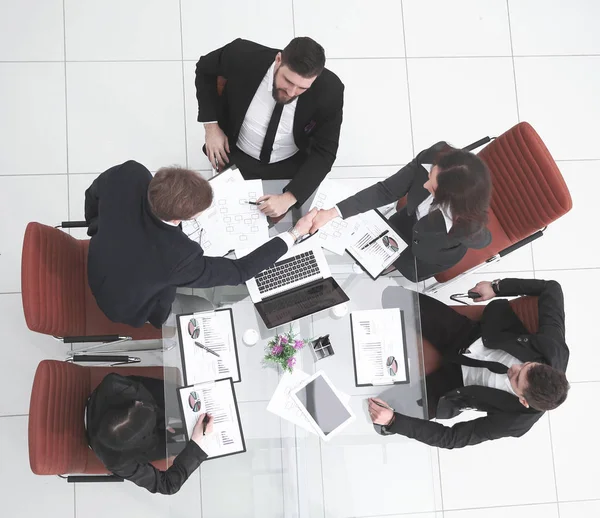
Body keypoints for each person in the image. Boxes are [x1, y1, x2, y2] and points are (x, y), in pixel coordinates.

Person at [84, 160, 317, 328]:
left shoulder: (129, 173)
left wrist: (98, 228)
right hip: (123, 305)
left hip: (99, 260)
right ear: (180, 220)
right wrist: (295, 233)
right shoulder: (179, 257)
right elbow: (240, 271)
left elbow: (91, 195)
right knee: (206, 309)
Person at [368, 278, 570, 448]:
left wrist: (394, 421)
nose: (514, 368)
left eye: (516, 379)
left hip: (456, 386)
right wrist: (497, 287)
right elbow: (551, 288)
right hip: (466, 338)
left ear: (523, 401)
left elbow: (453, 438)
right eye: (526, 365)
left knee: (380, 411)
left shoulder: (517, 422)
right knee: (392, 296)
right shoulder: (553, 348)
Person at [195, 37, 344, 217]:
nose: (291, 93)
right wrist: (211, 126)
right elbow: (204, 69)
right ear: (278, 60)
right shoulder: (242, 55)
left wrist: (289, 197)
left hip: (289, 163)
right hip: (235, 151)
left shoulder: (330, 90)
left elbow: (325, 151)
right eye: (288, 81)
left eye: (302, 88)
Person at [310, 142, 492, 281]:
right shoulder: (432, 157)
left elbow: (483, 240)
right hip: (408, 220)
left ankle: (392, 265)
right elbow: (386, 190)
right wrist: (333, 212)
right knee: (382, 242)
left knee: (404, 266)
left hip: (430, 251)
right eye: (430, 175)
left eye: (434, 190)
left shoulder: (467, 224)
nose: (425, 184)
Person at [86, 372, 210, 494]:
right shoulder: (119, 462)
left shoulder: (114, 384)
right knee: (188, 443)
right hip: (144, 446)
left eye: (141, 405)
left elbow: (146, 390)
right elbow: (168, 485)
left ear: (136, 403)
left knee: (191, 397)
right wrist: (196, 443)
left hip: (128, 400)